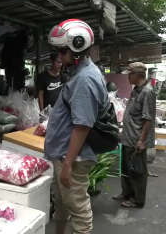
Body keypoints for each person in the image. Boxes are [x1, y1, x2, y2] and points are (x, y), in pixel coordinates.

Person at [45, 19, 109, 234]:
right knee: (62, 204)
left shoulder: (84, 80)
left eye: (63, 51)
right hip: (64, 154)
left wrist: (69, 164)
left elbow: (82, 126)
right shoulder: (81, 73)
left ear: (78, 48)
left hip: (73, 157)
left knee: (78, 209)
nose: (60, 56)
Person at [113, 62, 156, 208]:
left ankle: (138, 199)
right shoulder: (136, 90)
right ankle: (126, 193)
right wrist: (123, 131)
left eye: (129, 74)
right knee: (126, 168)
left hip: (137, 138)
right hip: (128, 136)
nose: (127, 77)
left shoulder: (147, 91)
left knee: (137, 170)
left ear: (137, 74)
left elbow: (148, 118)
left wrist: (142, 140)